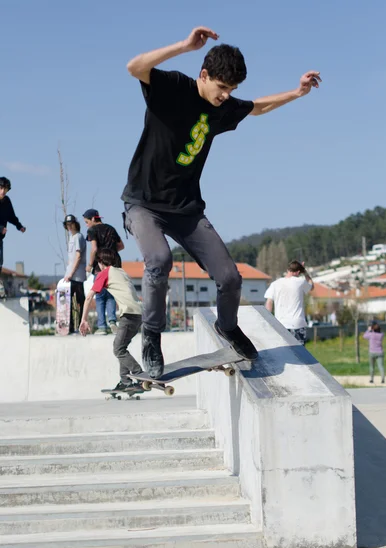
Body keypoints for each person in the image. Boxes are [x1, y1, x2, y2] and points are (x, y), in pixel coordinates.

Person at [121, 26, 321, 377]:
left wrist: (298, 92)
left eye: (232, 90)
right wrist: (184, 45)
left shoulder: (223, 107)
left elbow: (257, 108)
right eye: (222, 87)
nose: (226, 96)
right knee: (159, 259)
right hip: (144, 205)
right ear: (204, 75)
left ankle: (227, 327)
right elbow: (134, 67)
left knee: (230, 278)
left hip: (186, 211)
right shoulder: (173, 87)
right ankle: (151, 335)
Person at [79, 248, 143, 392]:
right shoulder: (121, 271)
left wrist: (84, 319)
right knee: (122, 347)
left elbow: (89, 297)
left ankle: (139, 375)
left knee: (118, 349)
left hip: (128, 315)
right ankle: (125, 380)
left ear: (101, 262)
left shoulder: (104, 272)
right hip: (139, 315)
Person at [83, 208, 125, 335]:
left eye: (86, 221)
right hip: (115, 265)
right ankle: (112, 321)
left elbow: (94, 249)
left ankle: (102, 326)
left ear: (93, 219)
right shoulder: (111, 228)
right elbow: (121, 246)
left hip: (100, 267)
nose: (86, 224)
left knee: (100, 296)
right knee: (111, 295)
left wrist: (90, 265)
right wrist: (111, 252)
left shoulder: (92, 230)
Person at [265, 260, 314, 345]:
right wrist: (305, 272)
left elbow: (269, 303)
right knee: (300, 354)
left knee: (283, 353)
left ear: (288, 270)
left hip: (281, 325)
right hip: (298, 324)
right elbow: (311, 285)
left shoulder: (275, 284)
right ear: (298, 272)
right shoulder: (301, 282)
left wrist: (268, 320)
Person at [63, 214, 87, 333]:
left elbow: (78, 257)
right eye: (67, 225)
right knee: (67, 303)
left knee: (80, 302)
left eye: (70, 224)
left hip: (77, 276)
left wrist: (71, 273)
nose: (69, 227)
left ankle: (80, 326)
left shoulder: (78, 237)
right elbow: (71, 259)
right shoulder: (71, 238)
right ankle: (70, 326)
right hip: (71, 275)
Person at [0, 177, 26, 285]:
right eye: (1, 188)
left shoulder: (7, 201)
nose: (3, 192)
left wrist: (19, 226)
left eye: (5, 190)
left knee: (0, 262)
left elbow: (11, 216)